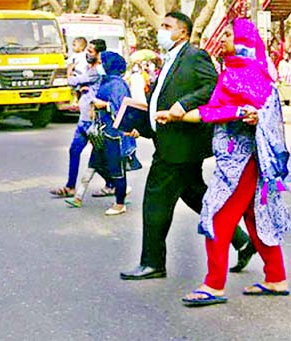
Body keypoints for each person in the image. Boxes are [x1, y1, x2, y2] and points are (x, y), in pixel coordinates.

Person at [157, 19, 290, 307]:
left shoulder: (244, 73)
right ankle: (276, 277)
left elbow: (245, 110)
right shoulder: (241, 71)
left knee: (217, 216)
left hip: (241, 162)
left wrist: (249, 114)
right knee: (255, 217)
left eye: (229, 34)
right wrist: (176, 115)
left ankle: (214, 285)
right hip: (243, 158)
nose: (223, 38)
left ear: (243, 40)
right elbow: (216, 111)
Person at [120, 12, 255, 280]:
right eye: (162, 25)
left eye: (167, 26)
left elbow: (213, 87)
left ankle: (153, 263)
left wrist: (182, 106)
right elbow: (161, 100)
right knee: (195, 195)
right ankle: (242, 241)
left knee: (155, 202)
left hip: (181, 146)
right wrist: (145, 126)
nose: (161, 30)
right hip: (171, 141)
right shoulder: (169, 60)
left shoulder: (194, 56)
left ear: (182, 32)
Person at [70, 51, 141, 215]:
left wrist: (104, 105)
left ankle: (120, 203)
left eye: (101, 62)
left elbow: (123, 108)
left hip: (115, 135)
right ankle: (78, 197)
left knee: (116, 170)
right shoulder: (105, 81)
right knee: (93, 163)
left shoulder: (117, 84)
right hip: (102, 132)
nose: (98, 65)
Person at [50, 39, 115, 198]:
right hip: (84, 120)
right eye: (88, 50)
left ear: (99, 54)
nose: (88, 53)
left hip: (94, 122)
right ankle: (70, 186)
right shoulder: (90, 69)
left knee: (98, 158)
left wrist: (69, 71)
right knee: (75, 151)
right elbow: (81, 85)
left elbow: (73, 81)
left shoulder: (97, 71)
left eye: (91, 51)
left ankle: (114, 184)